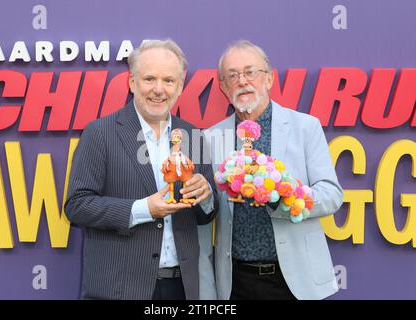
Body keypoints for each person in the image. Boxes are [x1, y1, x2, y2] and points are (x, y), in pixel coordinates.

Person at [65, 39, 218, 300]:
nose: (159, 89)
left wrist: (206, 195)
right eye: (149, 79)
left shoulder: (193, 135)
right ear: (132, 82)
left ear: (180, 87)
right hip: (120, 289)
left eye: (169, 81)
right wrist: (144, 209)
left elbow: (206, 216)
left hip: (182, 289)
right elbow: (77, 206)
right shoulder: (100, 133)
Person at [200, 40, 343, 300]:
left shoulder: (305, 127)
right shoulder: (211, 138)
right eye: (232, 75)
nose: (242, 81)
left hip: (293, 280)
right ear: (223, 87)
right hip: (234, 281)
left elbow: (331, 195)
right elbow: (208, 209)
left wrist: (283, 197)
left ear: (269, 79)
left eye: (250, 71)